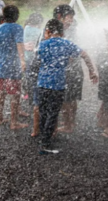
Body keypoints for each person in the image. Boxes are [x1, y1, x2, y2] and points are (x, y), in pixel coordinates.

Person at [36, 19, 98, 154]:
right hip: (58, 85)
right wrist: (92, 71)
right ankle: (45, 143)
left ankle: (43, 138)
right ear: (63, 32)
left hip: (42, 84)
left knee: (43, 112)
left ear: (48, 31)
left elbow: (38, 60)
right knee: (53, 114)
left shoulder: (42, 45)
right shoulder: (67, 43)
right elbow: (84, 55)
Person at [0, 5, 27, 129]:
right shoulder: (18, 28)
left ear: (4, 16)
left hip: (2, 63)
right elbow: (19, 44)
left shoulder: (0, 27)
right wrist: (22, 60)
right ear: (17, 16)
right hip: (13, 63)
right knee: (15, 93)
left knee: (1, 91)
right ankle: (14, 122)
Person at [51, 5, 82, 134]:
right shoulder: (63, 29)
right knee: (70, 97)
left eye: (72, 17)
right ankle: (70, 122)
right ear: (60, 17)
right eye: (70, 17)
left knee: (67, 98)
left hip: (70, 69)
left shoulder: (68, 30)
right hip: (72, 68)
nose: (72, 20)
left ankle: (69, 124)